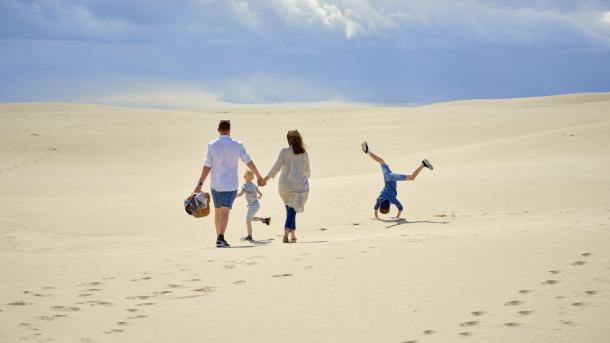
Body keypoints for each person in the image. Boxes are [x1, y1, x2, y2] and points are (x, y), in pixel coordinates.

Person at [193, 120, 265, 248]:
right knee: (225, 212)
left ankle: (219, 238)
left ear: (218, 130)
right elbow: (248, 162)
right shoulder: (237, 144)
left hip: (215, 184)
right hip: (230, 185)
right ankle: (221, 238)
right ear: (229, 130)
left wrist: (199, 184)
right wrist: (258, 176)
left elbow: (207, 166)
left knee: (218, 211)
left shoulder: (212, 145)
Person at [361, 141, 433, 220]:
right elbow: (375, 208)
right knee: (381, 161)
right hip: (387, 177)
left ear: (389, 207)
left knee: (412, 177)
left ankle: (423, 164)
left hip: (392, 178)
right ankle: (367, 151)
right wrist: (376, 217)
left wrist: (397, 217)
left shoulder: (393, 200)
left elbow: (400, 208)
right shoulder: (380, 199)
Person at [262, 130, 310, 243]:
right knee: (292, 210)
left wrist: (265, 179)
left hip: (285, 187)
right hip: (299, 187)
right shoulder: (304, 152)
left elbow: (276, 167)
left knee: (290, 209)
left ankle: (293, 235)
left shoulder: (284, 152)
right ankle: (285, 234)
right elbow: (307, 171)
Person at [237, 170, 271, 242]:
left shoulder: (244, 186)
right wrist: (259, 197)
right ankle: (264, 220)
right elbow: (260, 194)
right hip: (257, 205)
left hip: (252, 206)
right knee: (250, 218)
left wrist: (233, 195)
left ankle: (249, 236)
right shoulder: (254, 186)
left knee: (248, 220)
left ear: (244, 177)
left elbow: (240, 194)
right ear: (252, 178)